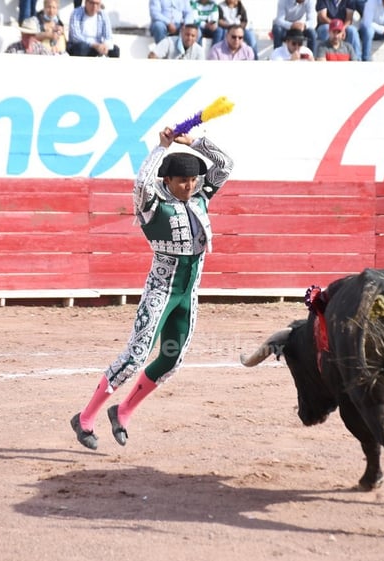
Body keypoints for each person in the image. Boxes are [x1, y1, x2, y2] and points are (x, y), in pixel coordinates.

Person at [70, 126, 234, 451]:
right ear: (168, 181)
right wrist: (161, 148)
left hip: (187, 295)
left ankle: (123, 411)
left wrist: (196, 143)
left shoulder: (201, 197)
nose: (190, 185)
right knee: (135, 357)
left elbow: (225, 165)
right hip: (160, 293)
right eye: (182, 181)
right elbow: (142, 183)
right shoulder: (152, 205)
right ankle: (85, 418)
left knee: (171, 359)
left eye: (192, 180)